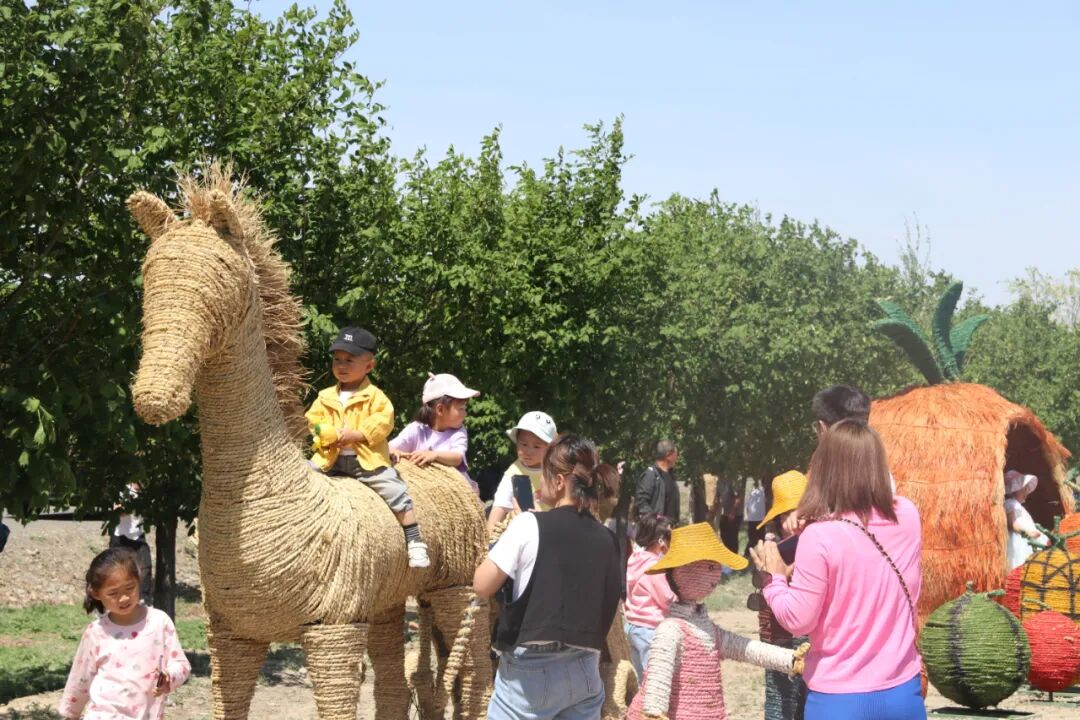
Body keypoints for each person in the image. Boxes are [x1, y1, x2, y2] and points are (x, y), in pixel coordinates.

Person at [752, 420, 925, 720]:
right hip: (903, 693)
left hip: (839, 700)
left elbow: (798, 620)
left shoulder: (819, 536)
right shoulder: (908, 516)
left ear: (825, 469)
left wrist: (774, 578)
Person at [473, 434, 622, 720]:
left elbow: (481, 585)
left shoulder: (527, 525)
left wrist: (515, 529)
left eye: (544, 474)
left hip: (530, 675)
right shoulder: (608, 538)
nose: (540, 483)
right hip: (585, 670)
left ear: (559, 481)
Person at [627, 523, 805, 720]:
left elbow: (743, 647)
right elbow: (659, 677)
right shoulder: (670, 629)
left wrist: (789, 659)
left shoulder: (704, 627)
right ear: (685, 571)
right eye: (711, 567)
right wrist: (654, 712)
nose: (716, 575)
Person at [306, 327, 429, 568]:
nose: (341, 365)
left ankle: (414, 540)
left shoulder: (375, 396)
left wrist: (358, 434)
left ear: (369, 366)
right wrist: (324, 432)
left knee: (395, 491)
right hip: (329, 459)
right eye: (337, 359)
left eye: (349, 360)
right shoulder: (325, 395)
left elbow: (383, 421)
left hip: (366, 462)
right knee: (302, 477)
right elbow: (313, 419)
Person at [59, 547, 191, 719]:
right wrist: (71, 713)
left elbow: (181, 665)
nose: (124, 598)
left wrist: (169, 678)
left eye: (129, 588)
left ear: (139, 580)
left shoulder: (159, 622)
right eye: (113, 593)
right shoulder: (96, 632)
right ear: (96, 593)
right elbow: (80, 678)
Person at [753, 471, 810, 720]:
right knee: (780, 702)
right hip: (779, 639)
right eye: (788, 513)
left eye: (800, 512)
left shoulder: (821, 542)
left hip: (811, 640)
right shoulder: (772, 549)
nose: (794, 520)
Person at [390, 372, 481, 495]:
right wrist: (394, 451)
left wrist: (434, 455)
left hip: (457, 491)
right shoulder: (417, 429)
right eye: (461, 409)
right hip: (423, 490)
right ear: (440, 409)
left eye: (465, 408)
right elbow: (389, 447)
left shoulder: (458, 432)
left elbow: (457, 457)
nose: (465, 413)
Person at [624, 513, 677, 678]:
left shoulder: (635, 559)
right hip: (650, 629)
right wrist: (681, 600)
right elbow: (666, 599)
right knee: (655, 679)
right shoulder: (655, 567)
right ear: (661, 541)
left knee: (642, 679)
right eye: (670, 537)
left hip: (633, 627)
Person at [487, 411, 558, 533]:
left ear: (549, 448)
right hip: (518, 530)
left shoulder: (556, 470)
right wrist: (488, 535)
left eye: (537, 447)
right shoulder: (514, 471)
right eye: (523, 444)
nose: (528, 451)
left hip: (549, 529)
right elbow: (500, 505)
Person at [110, 482, 153, 605]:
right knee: (119, 571)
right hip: (121, 537)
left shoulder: (145, 491)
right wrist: (133, 505)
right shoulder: (123, 490)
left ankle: (143, 600)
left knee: (146, 566)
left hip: (138, 536)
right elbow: (117, 511)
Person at [1004, 470, 1049, 569]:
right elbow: (1012, 523)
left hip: (1026, 539)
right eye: (1023, 489)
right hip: (1019, 540)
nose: (1026, 492)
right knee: (1021, 562)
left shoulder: (1017, 505)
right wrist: (1027, 532)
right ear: (1014, 490)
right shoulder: (1011, 503)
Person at [635, 439, 680, 524]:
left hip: (672, 528)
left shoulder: (671, 476)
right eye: (676, 454)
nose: (677, 458)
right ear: (668, 455)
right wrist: (656, 523)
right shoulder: (651, 475)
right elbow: (642, 503)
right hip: (657, 529)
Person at [744, 478, 767, 556]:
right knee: (755, 539)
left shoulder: (759, 490)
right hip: (756, 518)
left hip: (758, 518)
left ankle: (749, 554)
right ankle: (747, 554)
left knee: (758, 539)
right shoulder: (758, 490)